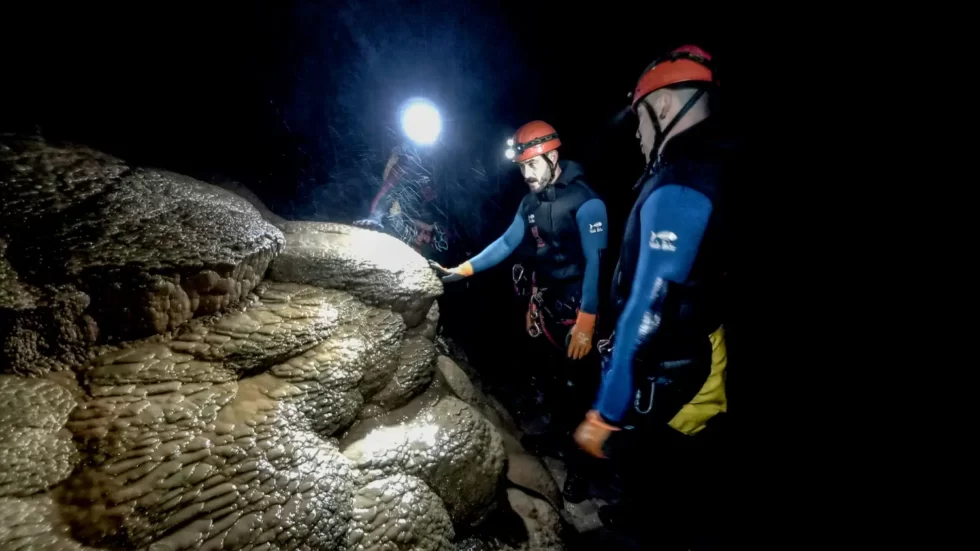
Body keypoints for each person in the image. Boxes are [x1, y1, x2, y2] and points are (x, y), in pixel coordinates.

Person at [572, 45, 732, 549]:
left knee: (668, 483)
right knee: (654, 475)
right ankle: (639, 510)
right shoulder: (707, 162)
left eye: (640, 119)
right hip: (687, 349)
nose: (639, 135)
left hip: (680, 371)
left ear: (663, 106)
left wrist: (606, 411)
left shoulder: (683, 179)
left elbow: (651, 305)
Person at [431, 120, 609, 501]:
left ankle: (581, 467)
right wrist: (462, 269)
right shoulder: (529, 203)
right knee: (551, 378)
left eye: (533, 165)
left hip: (579, 308)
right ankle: (559, 436)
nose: (526, 174)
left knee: (580, 388)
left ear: (553, 157)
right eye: (522, 167)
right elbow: (506, 242)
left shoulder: (586, 202)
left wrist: (588, 320)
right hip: (546, 303)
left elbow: (598, 263)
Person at [355, 144, 453, 261]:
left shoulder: (405, 234)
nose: (426, 237)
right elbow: (387, 191)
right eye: (429, 236)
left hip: (396, 223)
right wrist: (375, 216)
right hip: (384, 184)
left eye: (428, 241)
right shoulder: (413, 171)